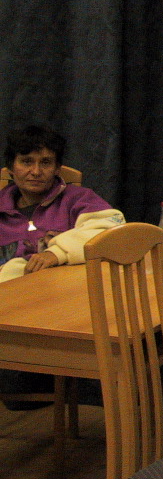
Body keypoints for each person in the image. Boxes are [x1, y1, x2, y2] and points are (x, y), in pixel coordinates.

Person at [0, 124, 125, 406]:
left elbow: (112, 229)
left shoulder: (77, 199)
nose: (36, 171)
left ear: (57, 168)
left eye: (45, 163)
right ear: (11, 168)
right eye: (26, 162)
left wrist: (58, 252)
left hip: (60, 314)